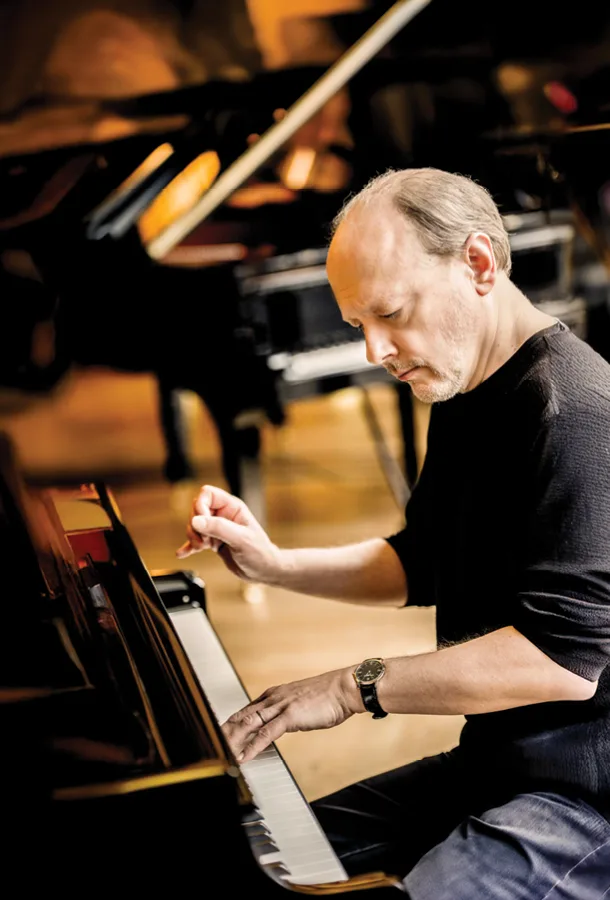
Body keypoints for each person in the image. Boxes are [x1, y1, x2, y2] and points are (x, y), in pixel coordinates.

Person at [176, 167, 610, 898]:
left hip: (583, 801)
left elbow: (560, 661)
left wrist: (354, 687)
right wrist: (276, 564)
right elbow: (423, 563)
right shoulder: (468, 389)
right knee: (271, 859)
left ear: (477, 263)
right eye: (357, 327)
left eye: (392, 313)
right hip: (497, 768)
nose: (375, 351)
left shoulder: (576, 416)